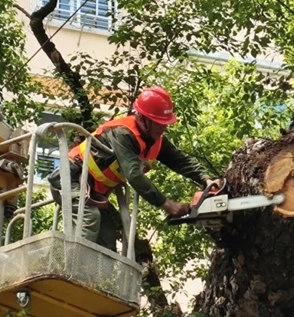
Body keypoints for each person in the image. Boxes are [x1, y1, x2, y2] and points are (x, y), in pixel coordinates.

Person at [47, 86, 220, 252]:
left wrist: (206, 179)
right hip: (70, 178)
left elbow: (180, 160)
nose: (164, 127)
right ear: (143, 118)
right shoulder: (123, 133)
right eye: (159, 122)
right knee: (89, 219)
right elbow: (134, 175)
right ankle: (67, 268)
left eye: (165, 122)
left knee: (107, 238)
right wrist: (166, 204)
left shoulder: (156, 140)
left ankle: (93, 281)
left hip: (93, 192)